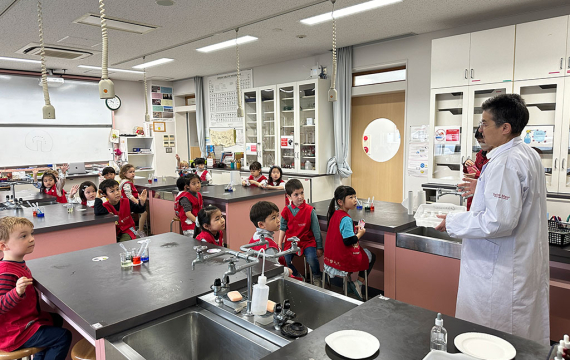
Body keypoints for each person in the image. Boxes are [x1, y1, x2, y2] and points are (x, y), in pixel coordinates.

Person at [435, 94, 550, 345]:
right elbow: (515, 199)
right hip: (520, 264)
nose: (481, 129)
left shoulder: (504, 162)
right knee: (520, 338)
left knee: (493, 340)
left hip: (500, 274)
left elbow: (498, 222)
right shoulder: (526, 154)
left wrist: (453, 221)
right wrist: (483, 187)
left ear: (505, 128)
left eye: (485, 123)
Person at [0, 217, 72, 359]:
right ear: (4, 246)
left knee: (56, 320)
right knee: (63, 337)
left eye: (31, 234)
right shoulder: (6, 272)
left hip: (22, 321)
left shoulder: (15, 263)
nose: (32, 239)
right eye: (24, 236)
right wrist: (16, 293)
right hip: (14, 332)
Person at [325, 185, 376, 300]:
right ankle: (358, 282)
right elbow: (349, 241)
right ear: (340, 202)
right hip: (343, 260)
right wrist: (360, 234)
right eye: (351, 197)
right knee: (371, 256)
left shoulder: (335, 214)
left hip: (331, 258)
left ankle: (351, 283)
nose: (355, 200)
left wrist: (353, 229)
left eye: (355, 197)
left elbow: (340, 232)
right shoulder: (346, 219)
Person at [277, 179, 323, 286]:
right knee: (284, 260)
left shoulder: (310, 210)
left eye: (302, 193)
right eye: (296, 194)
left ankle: (317, 277)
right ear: (289, 197)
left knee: (312, 259)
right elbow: (283, 227)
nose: (300, 197)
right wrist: (279, 244)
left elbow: (316, 230)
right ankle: (297, 277)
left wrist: (319, 247)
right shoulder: (286, 211)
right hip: (291, 242)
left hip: (307, 241)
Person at [248, 201, 294, 278]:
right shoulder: (269, 247)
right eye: (273, 218)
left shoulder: (255, 236)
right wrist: (287, 271)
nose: (278, 220)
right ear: (261, 224)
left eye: (277, 216)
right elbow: (273, 271)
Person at [461, 129, 492, 211]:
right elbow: (473, 171)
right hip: (475, 192)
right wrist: (467, 165)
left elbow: (493, 177)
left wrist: (477, 175)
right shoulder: (480, 154)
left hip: (487, 194)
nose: (482, 144)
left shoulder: (497, 156)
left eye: (483, 141)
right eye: (479, 142)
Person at [119, 164, 148, 237]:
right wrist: (137, 201)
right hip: (129, 203)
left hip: (127, 203)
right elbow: (128, 195)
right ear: (124, 173)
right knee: (144, 213)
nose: (133, 173)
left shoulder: (125, 181)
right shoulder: (126, 183)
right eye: (130, 172)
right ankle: (140, 230)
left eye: (133, 171)